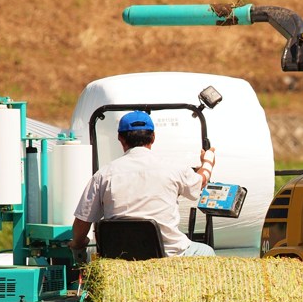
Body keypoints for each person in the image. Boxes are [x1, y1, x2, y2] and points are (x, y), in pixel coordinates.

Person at [68, 110, 216, 258]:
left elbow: (82, 222)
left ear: (120, 138)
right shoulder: (174, 169)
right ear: (153, 137)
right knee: (206, 251)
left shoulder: (103, 175)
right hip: (169, 254)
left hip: (118, 256)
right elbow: (202, 180)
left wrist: (77, 244)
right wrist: (208, 161)